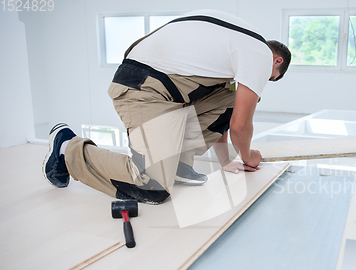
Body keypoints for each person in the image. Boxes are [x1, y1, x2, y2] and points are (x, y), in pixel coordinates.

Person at [42, 9, 291, 204]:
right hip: (144, 88)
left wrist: (225, 161)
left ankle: (178, 164)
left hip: (164, 86)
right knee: (152, 187)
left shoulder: (238, 38)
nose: (265, 81)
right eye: (271, 77)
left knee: (234, 96)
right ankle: (67, 147)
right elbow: (240, 126)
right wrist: (249, 156)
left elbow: (230, 113)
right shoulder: (259, 54)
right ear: (276, 60)